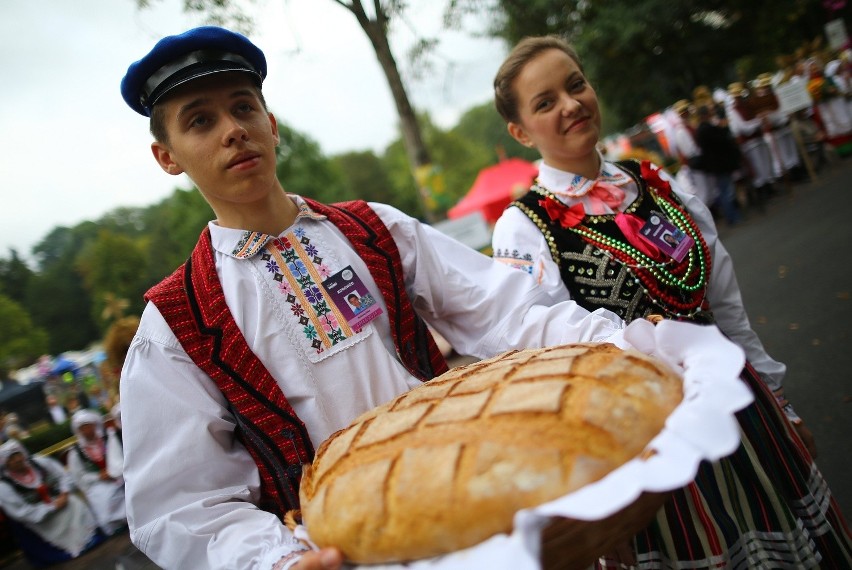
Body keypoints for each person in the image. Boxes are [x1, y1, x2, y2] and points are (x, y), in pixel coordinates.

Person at [117, 26, 634, 570]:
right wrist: (277, 561)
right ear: (167, 157)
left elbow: (505, 313)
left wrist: (622, 344)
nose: (233, 131)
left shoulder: (374, 228)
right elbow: (179, 504)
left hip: (481, 509)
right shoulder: (175, 323)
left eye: (243, 109)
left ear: (270, 126)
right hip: (352, 555)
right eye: (200, 120)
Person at [490, 35, 852, 569]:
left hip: (740, 406)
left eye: (575, 85)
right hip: (652, 446)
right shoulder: (523, 228)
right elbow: (546, 358)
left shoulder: (656, 183)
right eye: (545, 103)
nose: (570, 105)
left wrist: (779, 399)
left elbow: (725, 305)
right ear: (520, 131)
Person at [0, 440, 104, 565]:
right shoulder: (4, 486)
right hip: (40, 517)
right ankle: (76, 546)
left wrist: (64, 494)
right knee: (58, 520)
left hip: (61, 500)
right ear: (5, 463)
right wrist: (51, 507)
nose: (16, 460)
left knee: (74, 503)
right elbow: (21, 512)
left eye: (18, 455)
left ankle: (89, 538)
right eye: (11, 458)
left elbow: (64, 476)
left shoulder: (40, 462)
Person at [66, 409, 126, 536]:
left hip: (120, 474)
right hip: (98, 483)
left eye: (89, 426)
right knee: (104, 496)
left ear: (95, 425)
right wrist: (98, 476)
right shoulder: (75, 452)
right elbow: (79, 477)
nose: (87, 430)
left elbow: (119, 456)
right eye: (82, 428)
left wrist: (114, 471)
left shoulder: (108, 438)